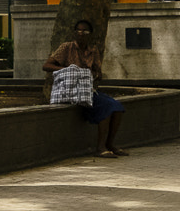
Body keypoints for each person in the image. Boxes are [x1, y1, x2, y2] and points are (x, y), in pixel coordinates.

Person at [43, 19, 127, 157]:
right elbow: (46, 66)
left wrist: (94, 74)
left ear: (90, 34)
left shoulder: (93, 51)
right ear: (74, 33)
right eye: (79, 31)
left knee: (118, 107)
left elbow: (98, 72)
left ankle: (110, 144)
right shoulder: (66, 47)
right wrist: (69, 70)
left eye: (85, 31)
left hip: (86, 90)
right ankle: (100, 148)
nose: (81, 34)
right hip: (69, 90)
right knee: (107, 107)